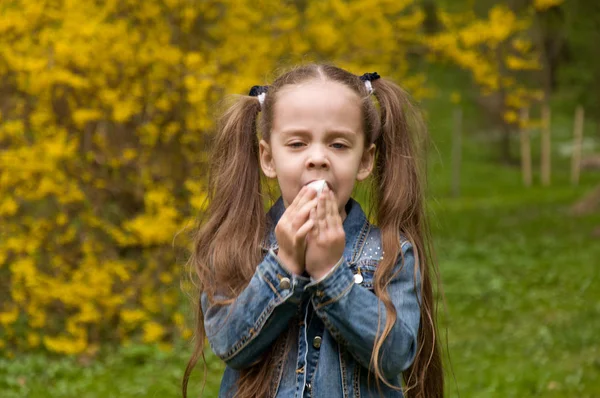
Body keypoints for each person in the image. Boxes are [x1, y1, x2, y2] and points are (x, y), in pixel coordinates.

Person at [183, 64, 443, 398]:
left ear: (364, 161)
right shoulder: (238, 244)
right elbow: (230, 345)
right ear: (268, 158)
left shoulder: (390, 252)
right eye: (296, 144)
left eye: (338, 145)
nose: (317, 158)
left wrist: (330, 274)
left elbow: (394, 356)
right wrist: (285, 264)